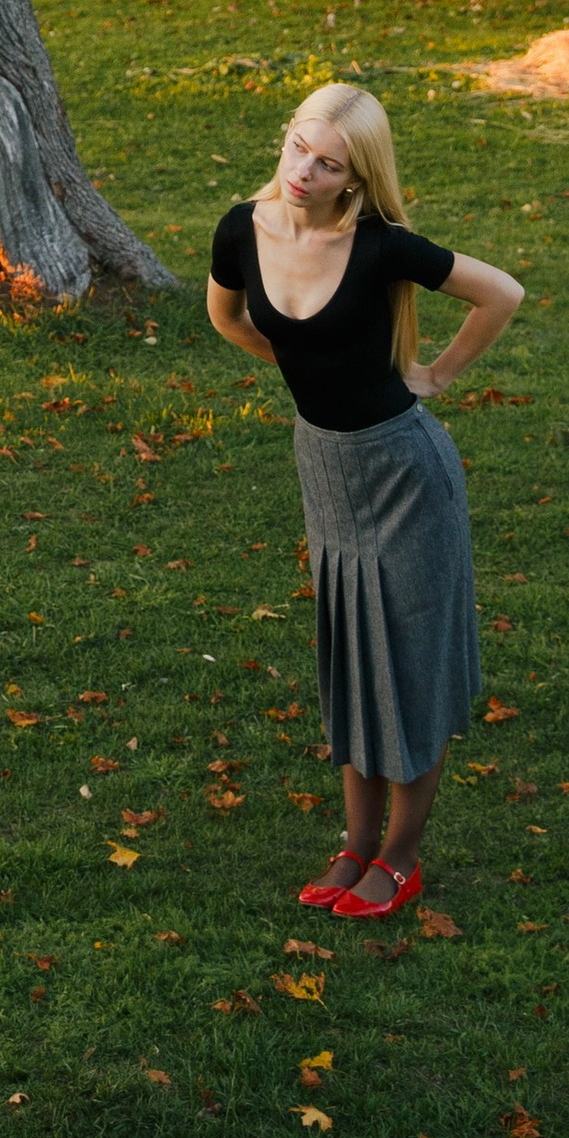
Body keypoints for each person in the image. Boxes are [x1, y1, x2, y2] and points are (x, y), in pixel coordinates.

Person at [205, 83, 523, 918]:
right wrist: (299, 360)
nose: (303, 170)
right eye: (296, 148)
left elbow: (503, 293)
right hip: (324, 469)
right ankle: (354, 846)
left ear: (356, 178)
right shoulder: (244, 228)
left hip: (405, 475)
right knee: (352, 655)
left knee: (410, 669)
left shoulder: (381, 246)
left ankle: (402, 856)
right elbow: (228, 318)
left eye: (328, 163)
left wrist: (438, 375)